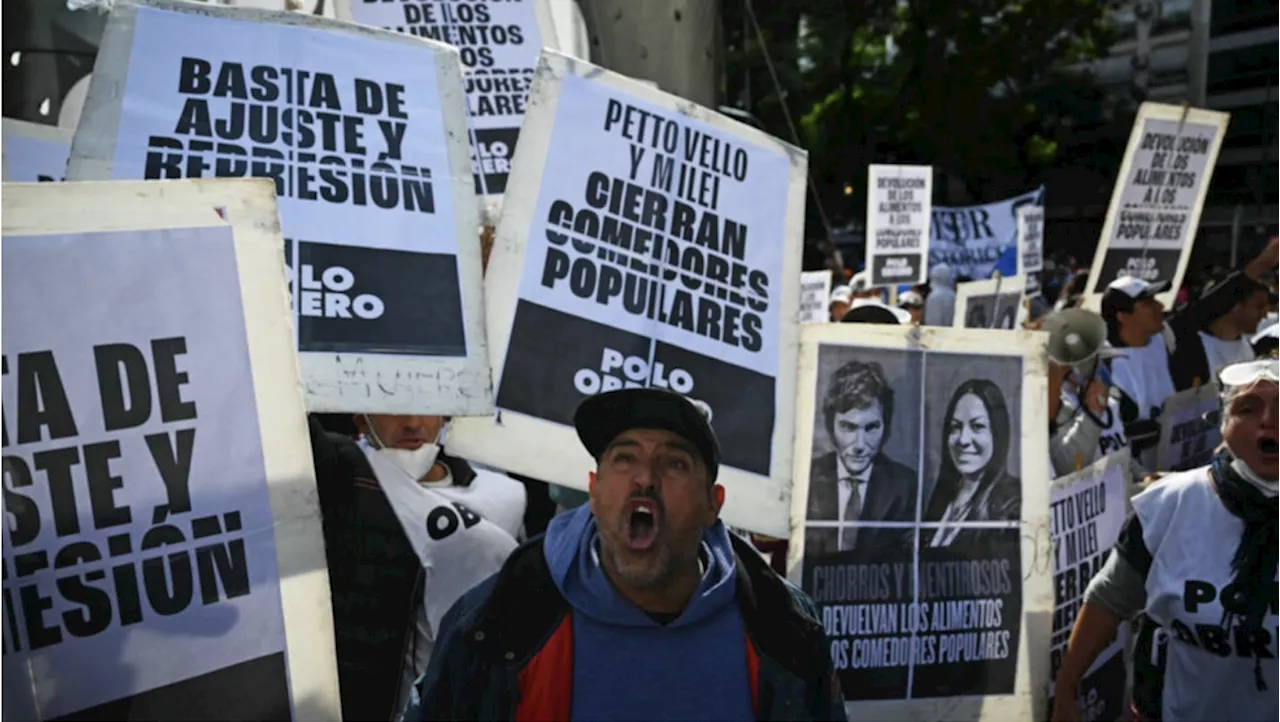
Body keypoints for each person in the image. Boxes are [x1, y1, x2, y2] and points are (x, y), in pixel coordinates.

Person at [403, 388, 846, 721]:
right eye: (624, 458)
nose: (645, 479)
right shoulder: (498, 620)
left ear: (714, 503)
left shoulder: (783, 628)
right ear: (593, 492)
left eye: (675, 463)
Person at [1051, 358, 1280, 721]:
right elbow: (1110, 599)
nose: (1269, 420)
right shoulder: (1168, 506)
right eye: (1248, 409)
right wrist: (1066, 687)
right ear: (1224, 426)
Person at [309, 414, 524, 721]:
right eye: (392, 406)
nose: (411, 422)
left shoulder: (505, 496)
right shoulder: (344, 476)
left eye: (424, 405)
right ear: (361, 419)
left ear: (447, 414)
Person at [806, 360, 918, 554]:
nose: (859, 444)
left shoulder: (904, 485)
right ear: (831, 426)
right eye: (848, 427)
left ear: (886, 427)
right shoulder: (808, 475)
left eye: (871, 428)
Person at [924, 379, 1021, 546]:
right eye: (955, 427)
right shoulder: (942, 497)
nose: (963, 439)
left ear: (997, 434)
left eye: (977, 426)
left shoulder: (1012, 503)